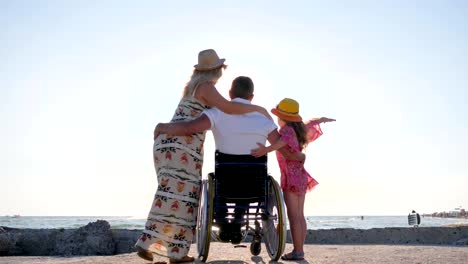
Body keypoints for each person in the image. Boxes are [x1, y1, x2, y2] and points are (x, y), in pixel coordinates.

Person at [135, 50, 270, 264]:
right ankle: (151, 244)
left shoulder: (193, 88)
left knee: (177, 197)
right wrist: (258, 108)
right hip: (180, 145)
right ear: (216, 70)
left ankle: (172, 252)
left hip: (173, 144)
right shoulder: (207, 88)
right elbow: (229, 108)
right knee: (179, 198)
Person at [153, 76, 305, 244]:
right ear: (251, 97)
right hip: (254, 184)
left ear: (230, 93)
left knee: (218, 178)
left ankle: (225, 222)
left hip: (226, 181)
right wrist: (300, 156)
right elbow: (284, 150)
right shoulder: (263, 119)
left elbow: (188, 128)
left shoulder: (217, 113)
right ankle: (239, 218)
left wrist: (163, 127)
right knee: (249, 177)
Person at [251, 98, 335, 261]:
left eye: (278, 116)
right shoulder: (298, 129)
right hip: (301, 177)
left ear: (283, 117)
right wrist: (322, 120)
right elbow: (311, 123)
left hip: (291, 177)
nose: (277, 119)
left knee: (293, 216)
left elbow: (282, 142)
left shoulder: (287, 130)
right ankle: (300, 249)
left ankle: (298, 251)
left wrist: (266, 149)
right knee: (300, 215)